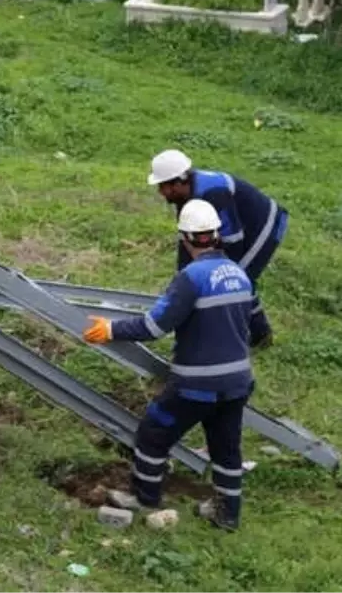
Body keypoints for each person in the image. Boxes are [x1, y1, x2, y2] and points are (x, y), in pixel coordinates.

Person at [84, 199, 254, 531]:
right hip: (236, 382)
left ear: (186, 238)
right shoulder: (239, 275)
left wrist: (111, 329)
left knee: (153, 434)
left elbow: (154, 327)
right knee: (226, 447)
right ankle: (228, 514)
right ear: (216, 235)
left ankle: (146, 498)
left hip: (197, 385)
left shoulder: (191, 278)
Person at [146, 148, 287, 349]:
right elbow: (187, 240)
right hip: (237, 229)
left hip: (263, 225)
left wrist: (216, 273)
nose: (161, 192)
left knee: (239, 276)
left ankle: (260, 335)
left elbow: (233, 241)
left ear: (179, 181)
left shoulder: (214, 193)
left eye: (163, 186)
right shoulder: (184, 197)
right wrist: (184, 280)